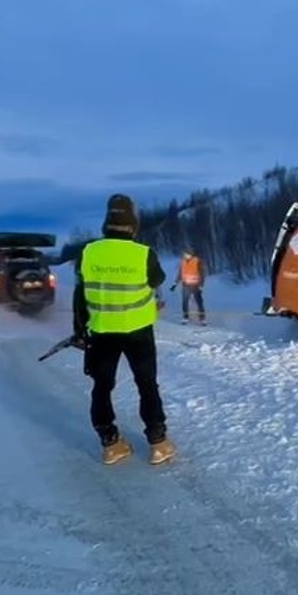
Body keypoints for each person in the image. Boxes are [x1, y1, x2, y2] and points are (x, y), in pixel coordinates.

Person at [72, 193, 175, 466]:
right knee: (146, 385)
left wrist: (79, 330)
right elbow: (158, 279)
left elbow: (80, 295)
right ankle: (158, 443)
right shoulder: (143, 254)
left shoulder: (89, 252)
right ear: (133, 225)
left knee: (101, 387)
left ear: (106, 223)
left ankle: (110, 444)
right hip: (138, 332)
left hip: (102, 332)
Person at [170, 247, 206, 324]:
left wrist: (201, 286)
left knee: (199, 302)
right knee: (185, 302)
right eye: (184, 254)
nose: (185, 255)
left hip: (196, 286)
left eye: (186, 254)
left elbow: (202, 274)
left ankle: (202, 319)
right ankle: (185, 318)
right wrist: (175, 284)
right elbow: (180, 274)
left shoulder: (197, 261)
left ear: (191, 254)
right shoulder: (182, 262)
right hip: (186, 285)